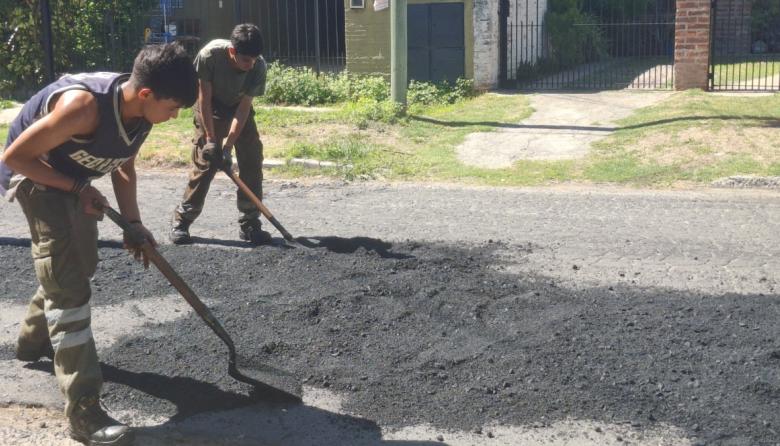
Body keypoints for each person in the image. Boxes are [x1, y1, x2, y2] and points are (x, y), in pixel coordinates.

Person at [0, 43, 197, 446]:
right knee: (69, 287)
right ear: (146, 95)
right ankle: (84, 412)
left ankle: (31, 341)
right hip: (36, 177)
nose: (174, 116)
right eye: (173, 107)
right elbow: (15, 156)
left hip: (74, 180)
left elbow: (123, 166)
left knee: (81, 264)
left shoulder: (140, 116)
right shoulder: (83, 108)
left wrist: (134, 225)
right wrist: (76, 187)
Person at [170, 23, 271, 245]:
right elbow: (204, 98)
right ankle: (182, 220)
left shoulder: (258, 66)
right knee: (207, 163)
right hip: (210, 107)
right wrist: (212, 142)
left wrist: (228, 148)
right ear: (232, 52)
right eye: (246, 60)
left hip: (236, 107)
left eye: (254, 59)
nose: (250, 64)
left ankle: (250, 223)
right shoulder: (209, 56)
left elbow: (243, 109)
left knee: (252, 159)